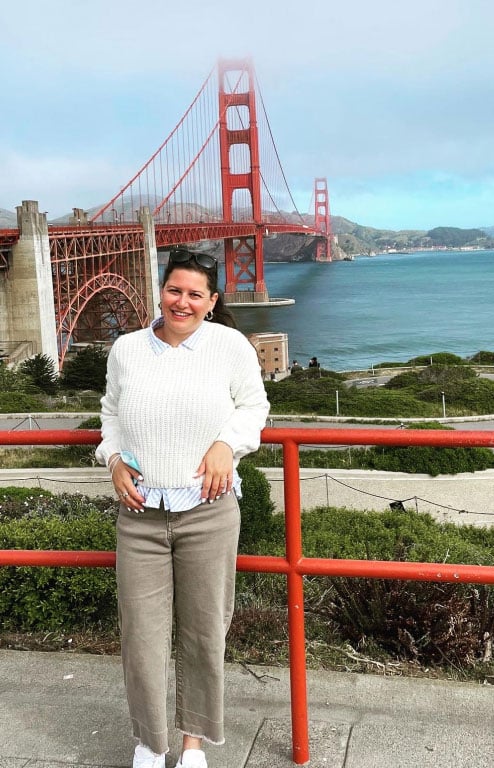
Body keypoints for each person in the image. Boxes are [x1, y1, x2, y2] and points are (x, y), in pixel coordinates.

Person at [95, 245, 270, 768]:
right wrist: (112, 460)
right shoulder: (125, 349)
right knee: (141, 637)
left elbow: (254, 405)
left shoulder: (231, 346)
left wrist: (226, 444)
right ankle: (151, 742)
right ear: (161, 291)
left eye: (196, 294)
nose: (183, 302)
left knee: (203, 630)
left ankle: (193, 743)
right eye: (175, 290)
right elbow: (110, 414)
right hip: (140, 515)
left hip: (208, 511)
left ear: (212, 301)